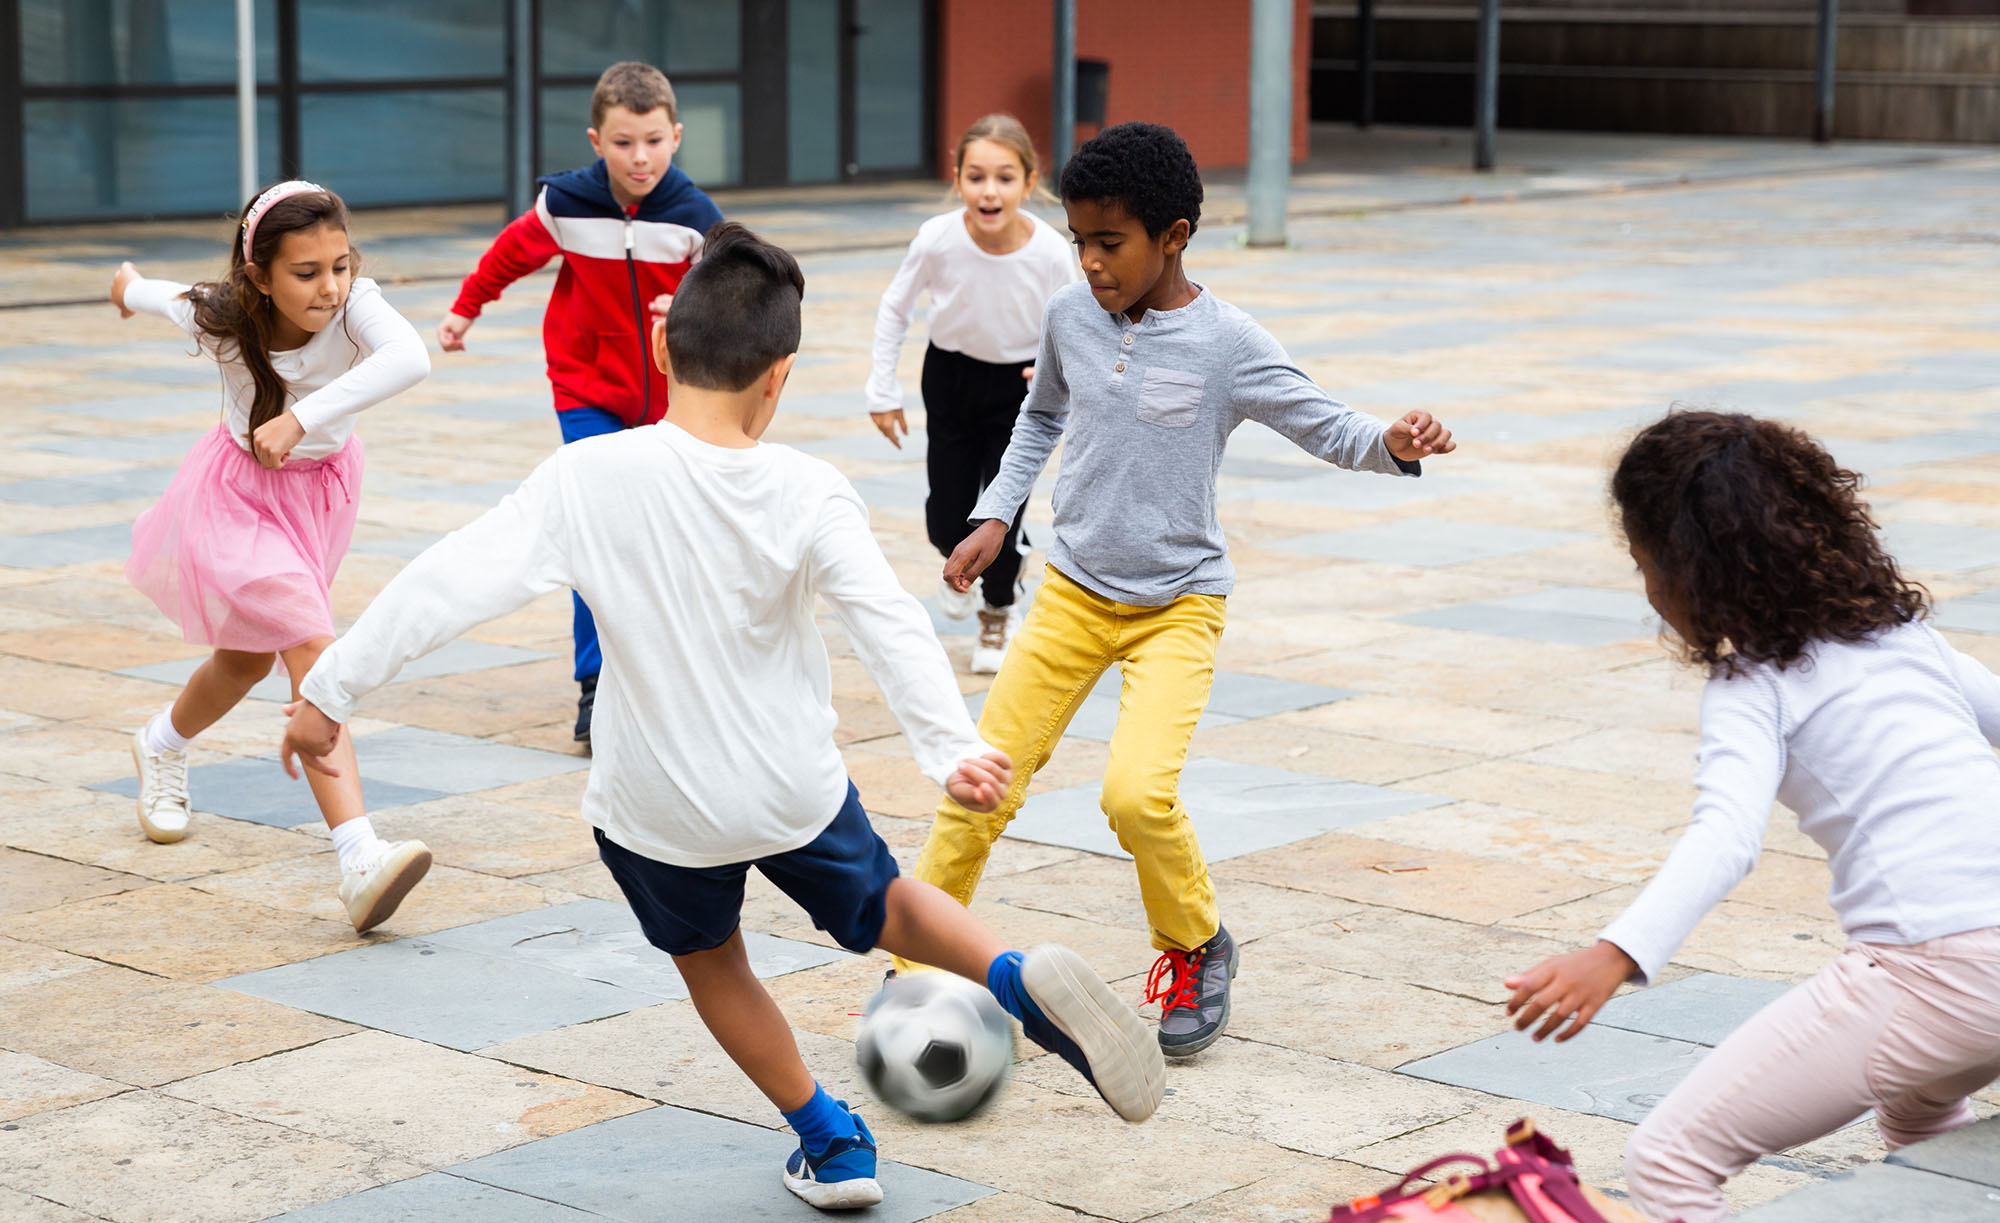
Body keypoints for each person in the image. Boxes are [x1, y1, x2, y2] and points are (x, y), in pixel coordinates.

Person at [283, 223, 1165, 1210]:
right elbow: (886, 620)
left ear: (662, 344)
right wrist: (947, 745)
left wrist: (329, 693)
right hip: (790, 786)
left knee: (714, 961)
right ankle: (1009, 977)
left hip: (659, 806)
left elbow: (443, 582)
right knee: (887, 903)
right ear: (778, 376)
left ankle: (831, 1142)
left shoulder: (585, 476)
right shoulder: (808, 488)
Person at [902, 123, 1457, 1058]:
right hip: (1073, 591)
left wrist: (1390, 442)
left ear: (1174, 236)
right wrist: (995, 515)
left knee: (1135, 795)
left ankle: (1195, 945)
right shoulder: (1069, 315)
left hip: (1177, 607)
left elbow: (1321, 421)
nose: (1089, 262)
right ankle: (916, 967)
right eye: (1078, 240)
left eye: (1108, 242)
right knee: (979, 783)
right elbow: (1039, 419)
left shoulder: (1227, 342)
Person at [1501, 411, 2000, 1223]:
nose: (1652, 594)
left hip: (1935, 971)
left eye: (1645, 566)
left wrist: (1614, 953)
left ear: (1689, 572)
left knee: (1669, 1160)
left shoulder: (1754, 685)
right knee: (1918, 1110)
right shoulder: (1907, 640)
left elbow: (1725, 837)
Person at [112, 181, 434, 934]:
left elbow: (410, 358)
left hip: (318, 495)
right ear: (259, 276)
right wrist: (125, 287)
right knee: (313, 649)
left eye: (340, 266)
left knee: (244, 662)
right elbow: (156, 295)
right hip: (236, 498)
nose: (330, 287)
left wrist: (301, 419)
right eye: (306, 272)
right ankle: (358, 855)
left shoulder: (356, 304)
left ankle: (160, 742)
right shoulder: (221, 313)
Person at [436, 60, 723, 747]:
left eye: (653, 141)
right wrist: (465, 308)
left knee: (669, 535)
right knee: (599, 532)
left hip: (674, 399)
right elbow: (511, 252)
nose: (639, 157)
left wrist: (688, 309)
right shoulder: (566, 204)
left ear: (677, 136)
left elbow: (737, 292)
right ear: (596, 141)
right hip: (587, 390)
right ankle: (596, 686)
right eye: (623, 143)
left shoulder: (696, 218)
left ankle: (671, 675)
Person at [866, 113, 1078, 673]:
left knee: (999, 515)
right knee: (946, 519)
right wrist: (882, 389)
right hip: (951, 379)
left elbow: (1078, 322)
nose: (989, 191)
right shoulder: (937, 239)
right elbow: (896, 307)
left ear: (1028, 183)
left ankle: (999, 608)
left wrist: (1063, 379)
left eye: (1005, 178)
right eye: (976, 176)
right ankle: (959, 559)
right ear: (957, 178)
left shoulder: (1050, 251)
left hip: (1021, 390)